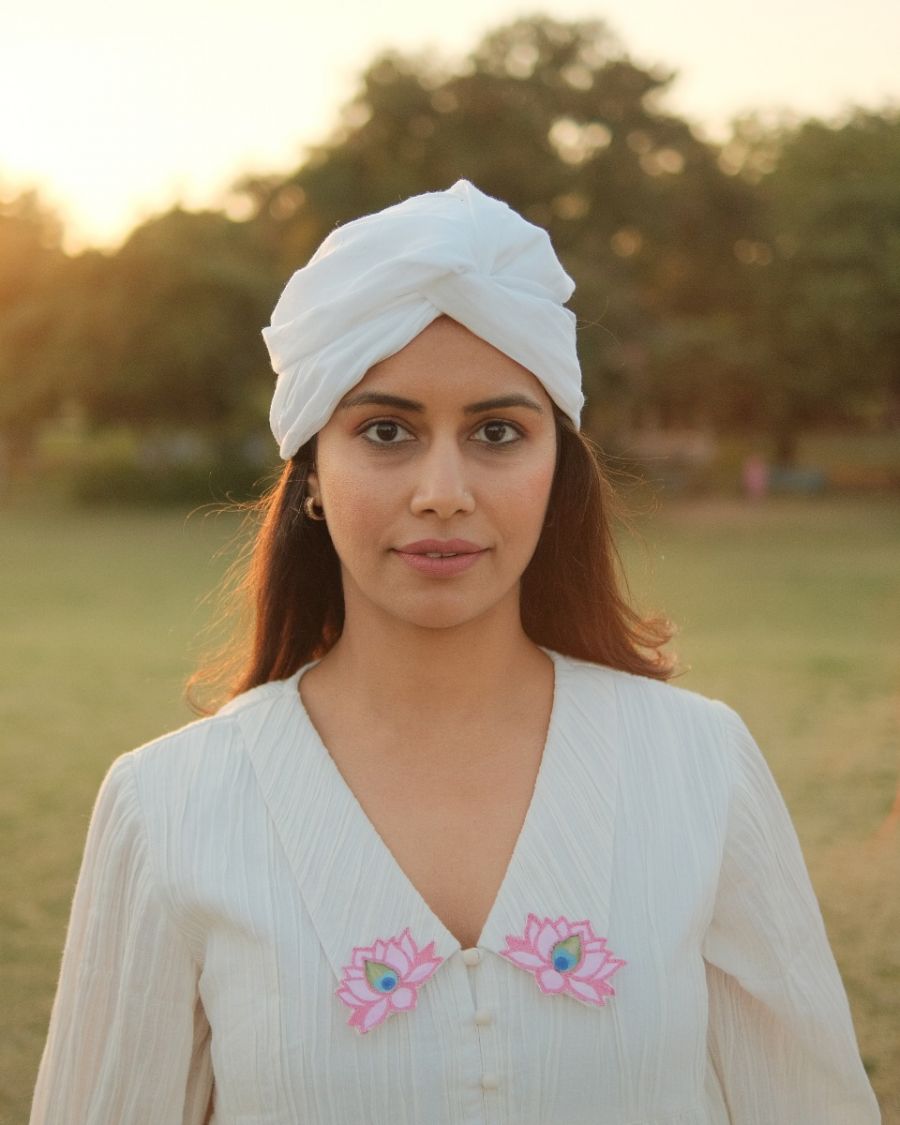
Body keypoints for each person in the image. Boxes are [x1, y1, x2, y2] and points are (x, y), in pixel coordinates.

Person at [30, 180, 880, 1124]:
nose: (444, 490)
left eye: (497, 433)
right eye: (386, 431)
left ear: (556, 469)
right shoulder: (167, 806)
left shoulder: (700, 766)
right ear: (312, 472)